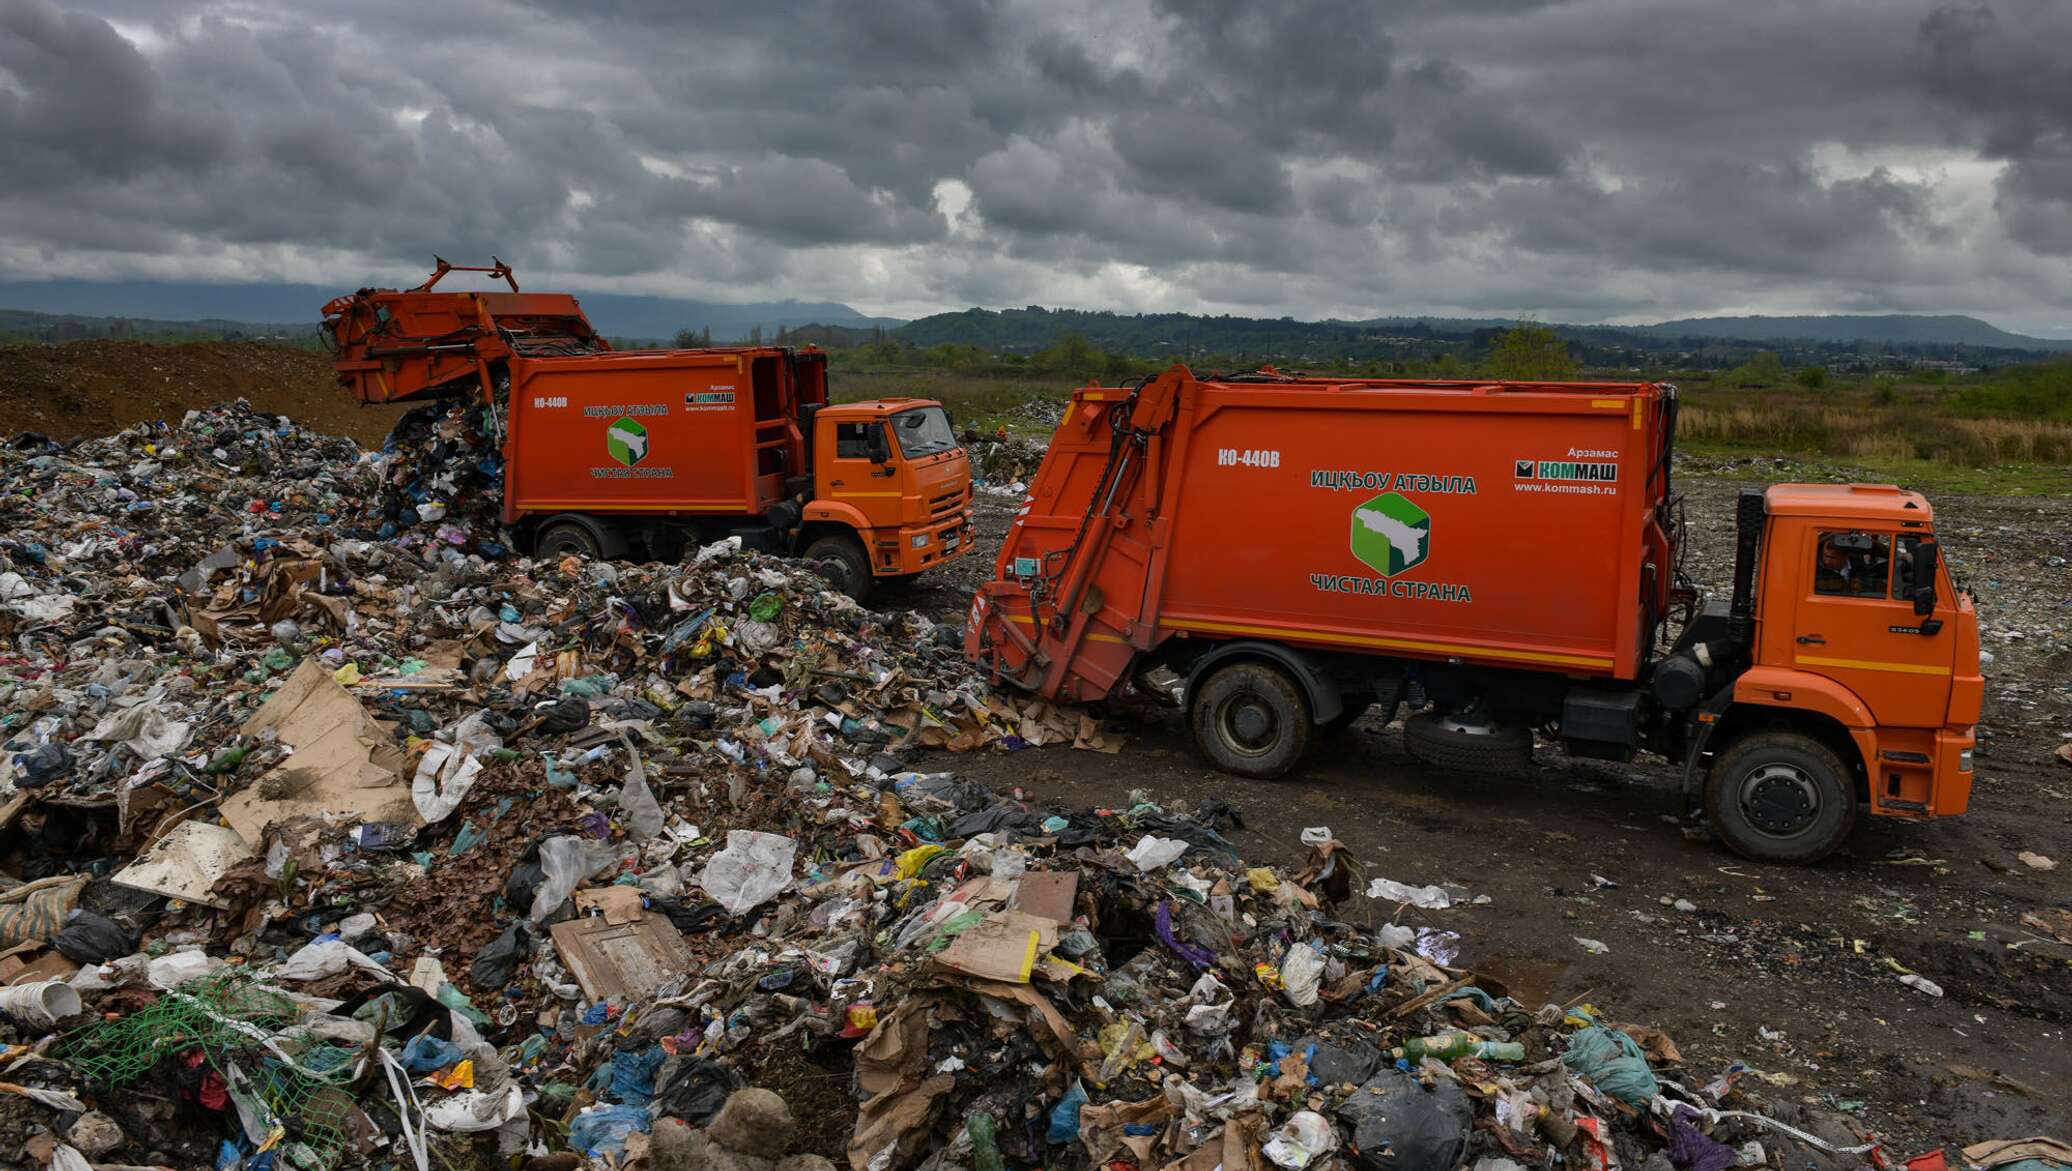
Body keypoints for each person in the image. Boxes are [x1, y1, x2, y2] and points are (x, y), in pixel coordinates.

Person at [1816, 534, 1887, 596]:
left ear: (1846, 556)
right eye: (1825, 556)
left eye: (1833, 558)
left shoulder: (1856, 561)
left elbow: (1866, 584)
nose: (1827, 561)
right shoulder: (1814, 568)